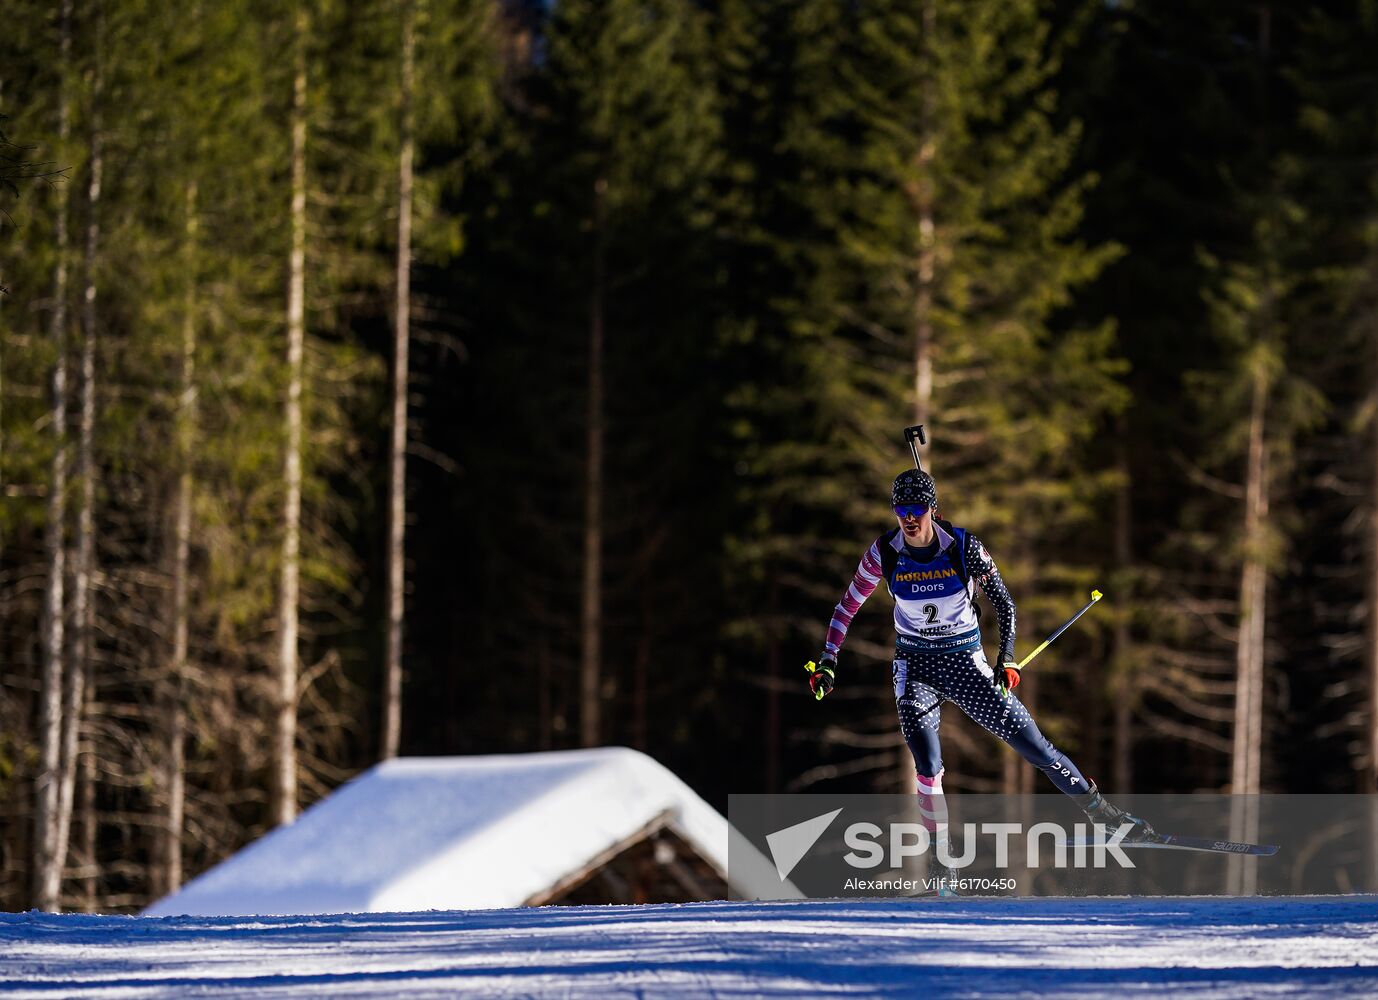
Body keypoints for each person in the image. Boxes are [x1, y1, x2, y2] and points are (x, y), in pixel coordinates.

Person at [808, 468, 1154, 875]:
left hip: (965, 663)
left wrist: (1006, 657)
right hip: (915, 665)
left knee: (1037, 748)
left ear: (932, 509)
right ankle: (942, 866)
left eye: (917, 509)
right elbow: (846, 607)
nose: (910, 518)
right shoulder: (884, 552)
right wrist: (829, 659)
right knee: (927, 764)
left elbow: (1004, 603)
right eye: (902, 510)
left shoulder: (963, 547)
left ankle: (1105, 815)